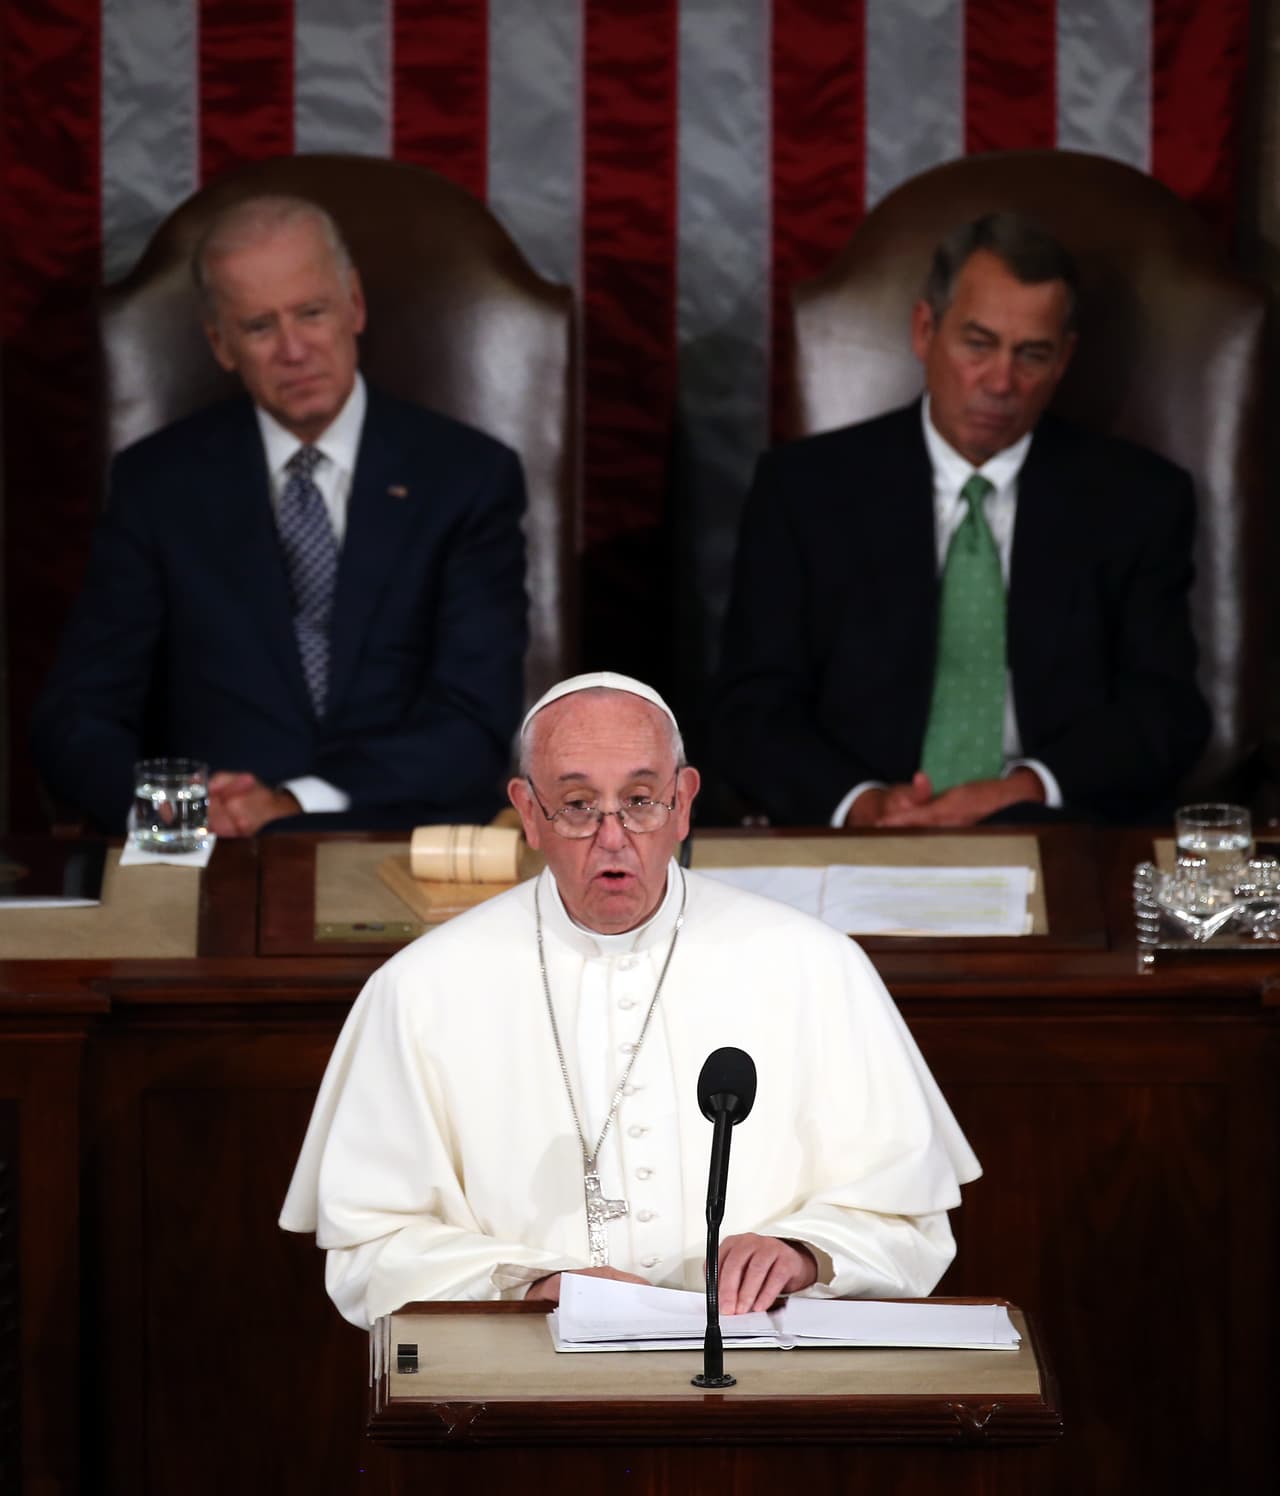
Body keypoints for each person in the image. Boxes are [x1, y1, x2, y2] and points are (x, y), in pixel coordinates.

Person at [280, 671, 980, 1328]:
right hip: (530, 1390)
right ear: (528, 811)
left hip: (759, 1378)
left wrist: (802, 1252)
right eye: (579, 806)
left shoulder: (816, 966)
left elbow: (910, 1222)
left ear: (683, 803)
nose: (612, 838)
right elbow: (369, 1251)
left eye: (641, 802)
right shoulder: (421, 989)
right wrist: (537, 1286)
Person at [32, 194, 527, 835]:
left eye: (312, 313)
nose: (293, 350)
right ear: (221, 343)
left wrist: (294, 803)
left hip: (401, 840)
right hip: (209, 850)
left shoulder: (468, 477)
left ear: (354, 305)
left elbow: (475, 721)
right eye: (260, 327)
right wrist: (182, 813)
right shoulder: (157, 483)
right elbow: (76, 717)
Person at [713, 212, 1211, 828]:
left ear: (1063, 361)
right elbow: (751, 710)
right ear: (926, 331)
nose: (1001, 382)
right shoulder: (805, 491)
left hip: (1055, 828)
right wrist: (861, 804)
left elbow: (1164, 710)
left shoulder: (1138, 500)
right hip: (860, 830)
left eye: (1032, 354)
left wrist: (1027, 788)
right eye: (978, 344)